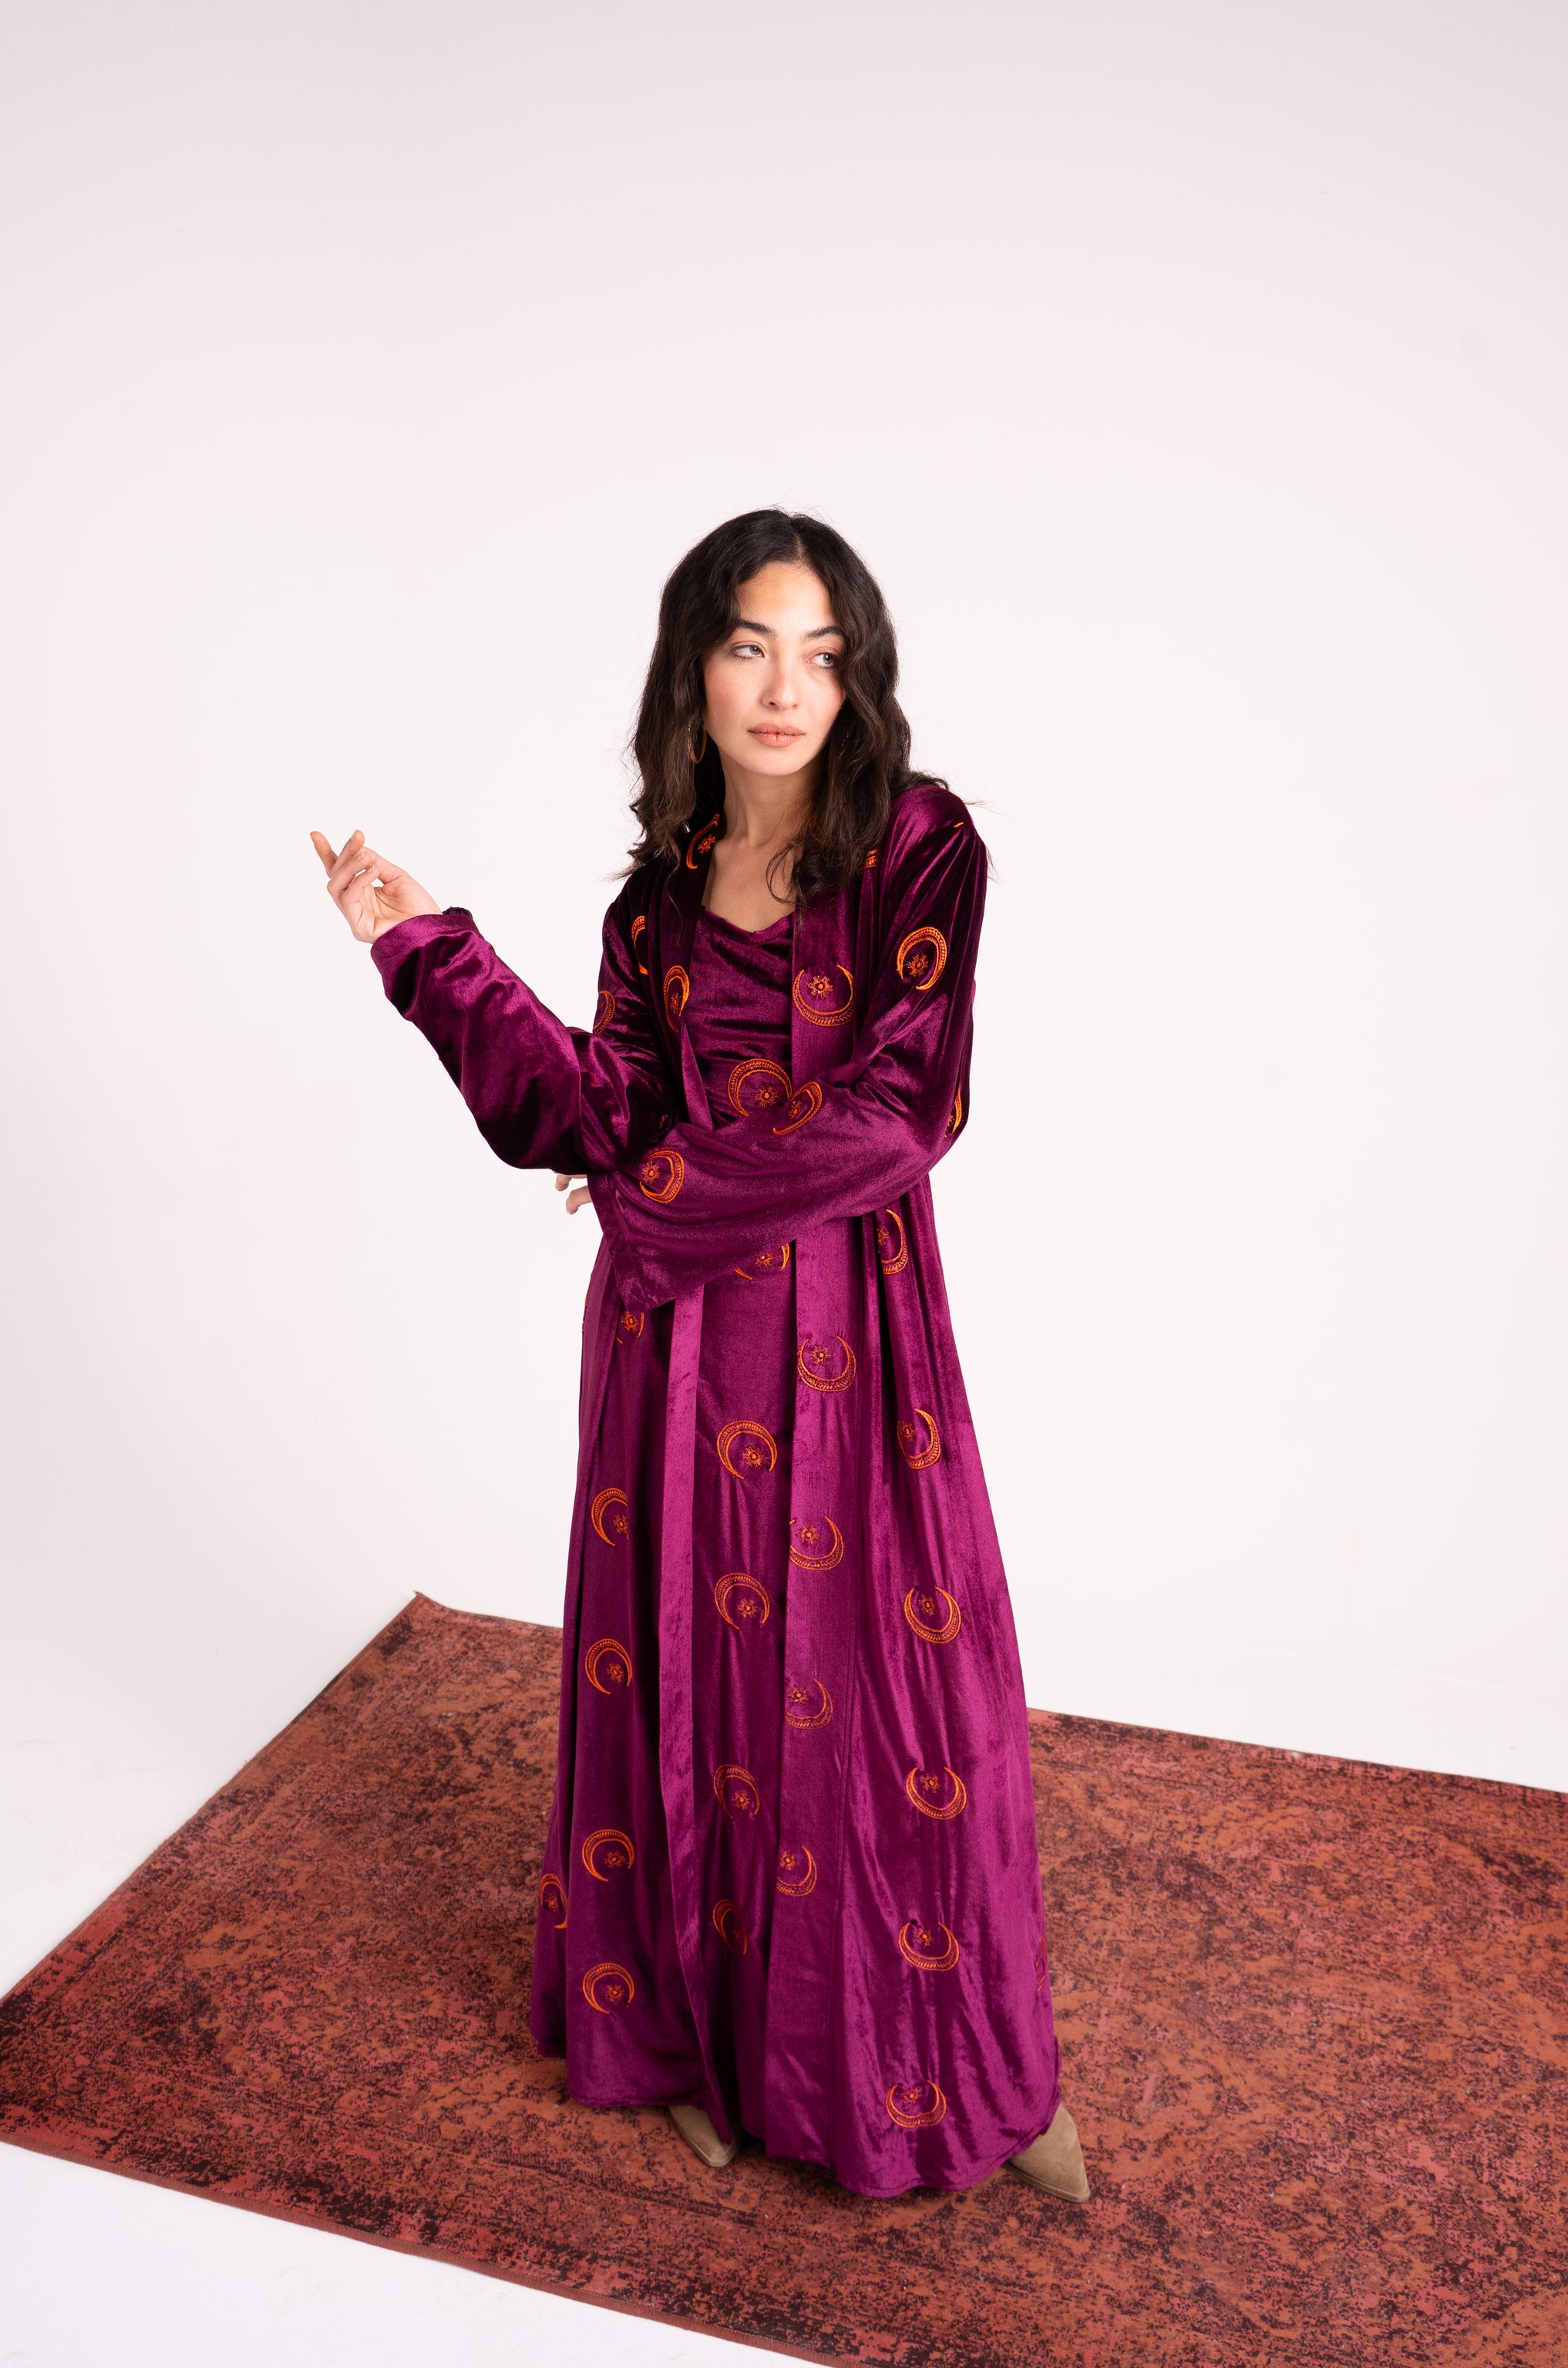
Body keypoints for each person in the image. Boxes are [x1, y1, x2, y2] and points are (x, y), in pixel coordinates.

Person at [311, 510, 1089, 2205]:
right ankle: (697, 2038)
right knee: (690, 1684)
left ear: (859, 677)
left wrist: (653, 1199)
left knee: (894, 1696)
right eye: (751, 646)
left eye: (822, 653)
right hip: (677, 1355)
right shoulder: (659, 903)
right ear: (696, 671)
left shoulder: (918, 846)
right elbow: (590, 1111)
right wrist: (427, 951)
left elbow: (903, 1110)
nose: (787, 687)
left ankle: (967, 2058)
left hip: (853, 1339)